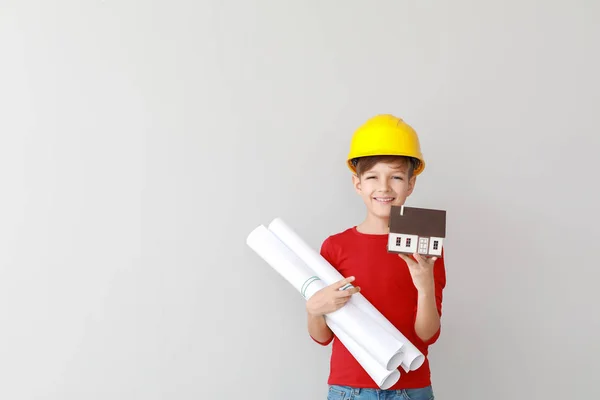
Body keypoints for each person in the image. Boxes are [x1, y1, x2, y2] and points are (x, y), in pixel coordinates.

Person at [306, 114, 446, 400]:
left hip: (411, 389)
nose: (384, 187)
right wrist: (314, 309)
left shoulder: (423, 246)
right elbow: (322, 337)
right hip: (349, 390)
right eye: (372, 177)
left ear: (410, 184)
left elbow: (428, 334)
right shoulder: (335, 246)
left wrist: (425, 285)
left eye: (396, 177)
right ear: (358, 184)